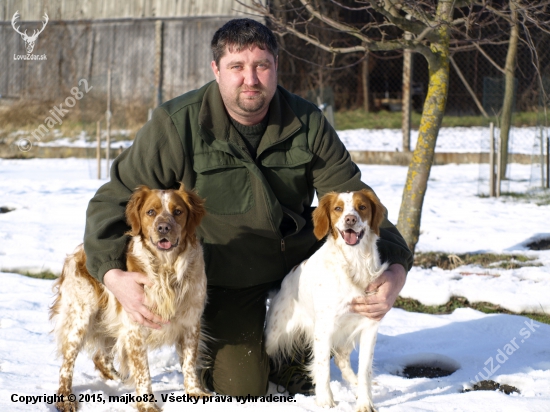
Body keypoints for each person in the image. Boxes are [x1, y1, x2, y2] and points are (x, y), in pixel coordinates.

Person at [83, 18, 413, 397]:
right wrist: (112, 275)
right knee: (242, 385)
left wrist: (397, 268)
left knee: (302, 363)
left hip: (296, 257)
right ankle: (239, 351)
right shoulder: (177, 124)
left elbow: (357, 199)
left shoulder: (307, 122)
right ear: (216, 70)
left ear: (276, 67)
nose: (250, 79)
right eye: (237, 67)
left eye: (262, 66)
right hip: (226, 271)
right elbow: (114, 198)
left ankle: (296, 353)